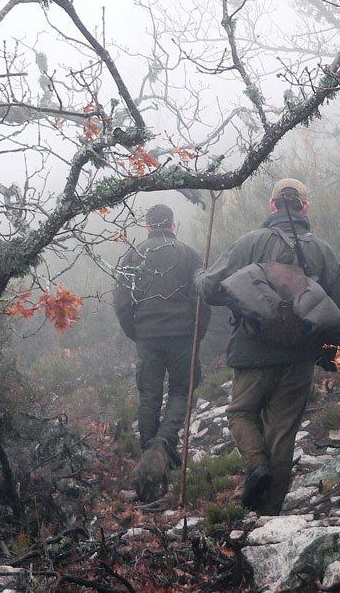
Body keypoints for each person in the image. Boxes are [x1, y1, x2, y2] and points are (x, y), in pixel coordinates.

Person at [196, 178, 340, 515]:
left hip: (251, 354)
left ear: (271, 206)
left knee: (240, 413)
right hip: (299, 358)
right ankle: (268, 513)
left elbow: (211, 289)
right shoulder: (323, 251)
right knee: (283, 433)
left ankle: (256, 466)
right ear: (305, 208)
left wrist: (200, 276)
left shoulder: (250, 242)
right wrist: (328, 355)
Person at [113, 204, 209, 499]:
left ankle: (150, 461)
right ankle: (164, 444)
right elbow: (203, 299)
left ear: (147, 226)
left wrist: (136, 332)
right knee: (183, 389)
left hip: (148, 338)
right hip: (183, 337)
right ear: (173, 225)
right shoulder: (189, 254)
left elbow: (121, 302)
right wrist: (197, 334)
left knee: (149, 395)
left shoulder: (132, 255)